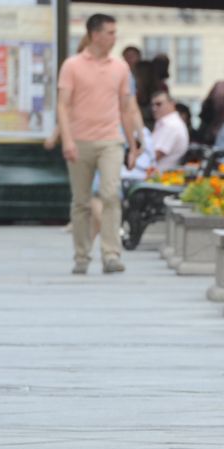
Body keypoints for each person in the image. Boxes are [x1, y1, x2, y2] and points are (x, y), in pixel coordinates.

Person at [57, 14, 143, 274]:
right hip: (80, 140)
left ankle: (111, 254)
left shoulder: (120, 68)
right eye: (110, 32)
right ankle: (81, 256)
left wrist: (133, 145)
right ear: (95, 34)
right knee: (81, 201)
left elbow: (126, 109)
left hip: (110, 141)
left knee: (110, 195)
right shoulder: (72, 65)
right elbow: (63, 105)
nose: (115, 38)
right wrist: (68, 140)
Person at [146, 87, 190, 173]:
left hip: (158, 180)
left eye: (159, 104)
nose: (154, 108)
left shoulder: (171, 125)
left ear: (172, 104)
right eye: (152, 105)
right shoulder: (168, 123)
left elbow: (154, 156)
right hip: (156, 178)